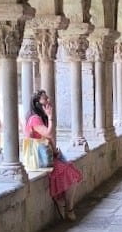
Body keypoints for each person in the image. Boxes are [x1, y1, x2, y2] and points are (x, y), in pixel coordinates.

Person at [25, 89, 83, 221]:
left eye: (48, 98)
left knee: (72, 172)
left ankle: (62, 202)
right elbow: (48, 134)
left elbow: (49, 139)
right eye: (45, 99)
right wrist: (50, 117)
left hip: (46, 155)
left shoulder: (39, 117)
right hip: (38, 158)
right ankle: (68, 207)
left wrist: (55, 151)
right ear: (37, 103)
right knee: (70, 174)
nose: (48, 101)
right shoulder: (34, 119)